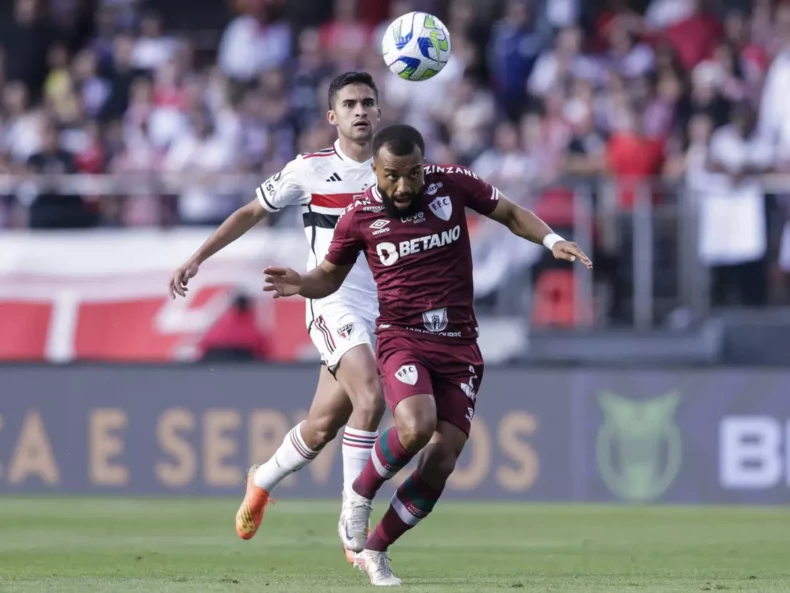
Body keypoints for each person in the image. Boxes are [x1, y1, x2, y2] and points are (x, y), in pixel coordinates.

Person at [263, 124, 592, 586]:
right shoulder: (359, 215)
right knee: (415, 426)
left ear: (424, 165)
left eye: (412, 173)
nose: (403, 186)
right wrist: (301, 283)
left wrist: (551, 240)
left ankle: (377, 550)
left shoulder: (451, 182)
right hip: (403, 336)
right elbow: (329, 278)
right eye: (392, 175)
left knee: (442, 459)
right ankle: (358, 495)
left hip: (460, 343)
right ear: (374, 171)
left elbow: (511, 213)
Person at [168, 72, 385, 562]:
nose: (359, 111)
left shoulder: (395, 169)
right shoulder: (308, 170)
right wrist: (198, 257)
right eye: (349, 103)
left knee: (323, 426)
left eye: (368, 102)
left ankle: (262, 477)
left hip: (387, 310)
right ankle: (356, 522)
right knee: (370, 397)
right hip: (334, 303)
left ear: (380, 112)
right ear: (332, 116)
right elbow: (250, 211)